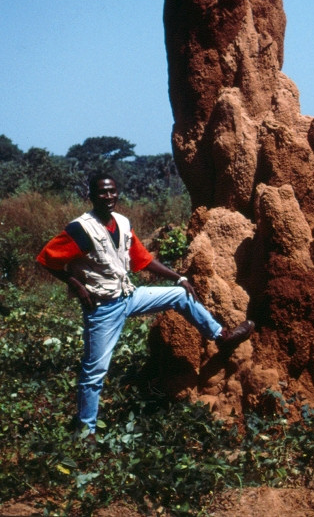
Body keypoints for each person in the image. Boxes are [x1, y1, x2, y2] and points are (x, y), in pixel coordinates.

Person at [37, 172, 254, 437]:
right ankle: (86, 431)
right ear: (91, 195)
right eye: (102, 192)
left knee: (181, 295)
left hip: (129, 296)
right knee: (94, 371)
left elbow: (143, 260)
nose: (109, 197)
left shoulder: (122, 223)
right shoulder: (81, 229)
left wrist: (179, 277)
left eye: (112, 191)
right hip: (103, 308)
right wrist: (76, 284)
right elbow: (46, 259)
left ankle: (221, 335)